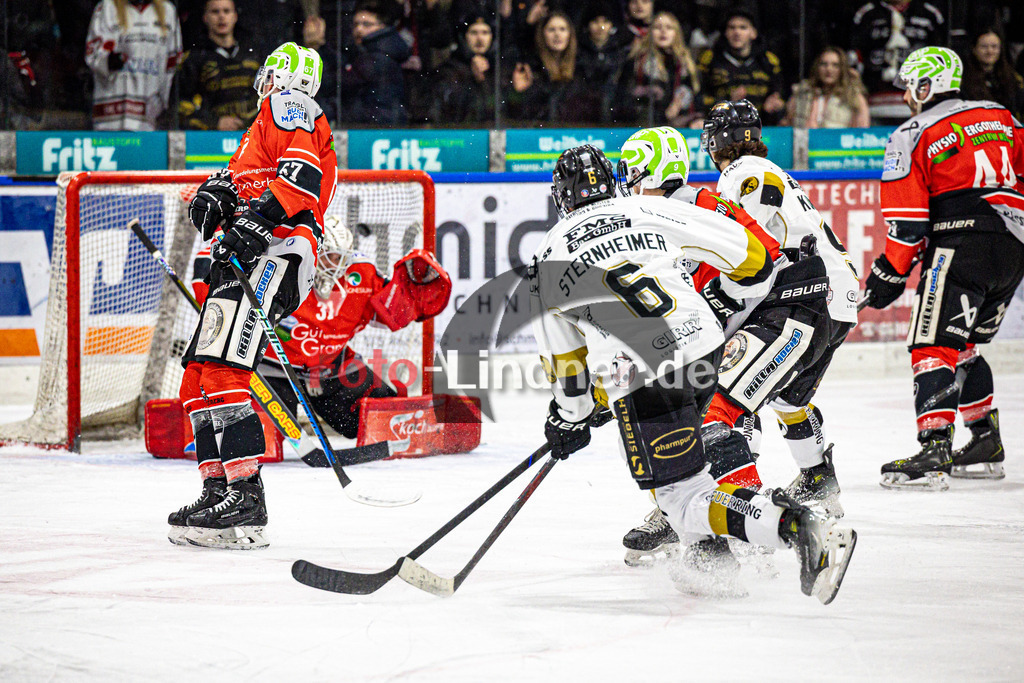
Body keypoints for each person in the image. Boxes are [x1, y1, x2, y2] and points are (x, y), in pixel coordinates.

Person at [532, 144, 857, 604]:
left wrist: (569, 418)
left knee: (682, 501)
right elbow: (751, 256)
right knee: (696, 462)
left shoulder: (547, 256)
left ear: (561, 198)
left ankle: (799, 528)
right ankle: (711, 558)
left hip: (642, 371)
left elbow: (569, 368)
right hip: (703, 347)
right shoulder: (645, 207)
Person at [169, 42, 337, 550]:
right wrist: (216, 194)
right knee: (198, 376)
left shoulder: (289, 104)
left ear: (279, 75)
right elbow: (245, 182)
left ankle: (246, 496)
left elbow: (301, 179)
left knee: (223, 369)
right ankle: (218, 487)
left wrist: (259, 217)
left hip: (279, 253)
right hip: (254, 254)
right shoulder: (260, 129)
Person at [862, 46, 1024, 490]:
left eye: (909, 86)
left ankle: (934, 447)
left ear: (924, 84)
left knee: (931, 345)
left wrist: (887, 274)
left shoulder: (912, 132)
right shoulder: (1002, 115)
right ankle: (985, 440)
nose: (907, 97)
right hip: (1013, 250)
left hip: (960, 244)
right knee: (965, 344)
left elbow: (909, 224)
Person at [187, 216, 452, 467]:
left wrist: (416, 290)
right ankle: (200, 431)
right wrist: (208, 288)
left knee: (381, 417)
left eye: (340, 257)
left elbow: (393, 311)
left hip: (333, 368)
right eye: (329, 255)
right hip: (272, 369)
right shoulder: (285, 265)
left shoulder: (361, 273)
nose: (335, 263)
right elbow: (209, 260)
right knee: (257, 440)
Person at [84, 0, 183, 130]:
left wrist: (165, 106)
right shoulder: (107, 7)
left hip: (151, 115)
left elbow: (173, 65)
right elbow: (93, 53)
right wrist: (109, 61)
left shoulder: (168, 11)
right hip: (111, 114)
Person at [849, 0, 945, 124]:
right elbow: (854, 58)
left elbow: (942, 58)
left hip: (918, 106)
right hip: (875, 105)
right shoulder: (866, 14)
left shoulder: (930, 14)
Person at [177, 0, 261, 131]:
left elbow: (271, 98)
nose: (221, 16)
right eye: (215, 11)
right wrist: (214, 122)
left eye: (226, 11)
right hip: (210, 139)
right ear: (205, 17)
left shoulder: (255, 55)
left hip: (253, 136)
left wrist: (252, 122)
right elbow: (180, 103)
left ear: (235, 16)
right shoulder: (194, 59)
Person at [696, 9, 785, 125]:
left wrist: (774, 102)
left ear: (753, 33)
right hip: (722, 126)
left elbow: (780, 93)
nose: (737, 32)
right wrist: (727, 103)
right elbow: (698, 99)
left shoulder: (768, 61)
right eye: (732, 28)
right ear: (725, 32)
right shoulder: (710, 59)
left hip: (762, 127)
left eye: (743, 27)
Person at [613, 12, 701, 128]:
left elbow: (698, 99)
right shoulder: (636, 62)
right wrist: (662, 114)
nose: (663, 31)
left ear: (676, 33)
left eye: (669, 28)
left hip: (683, 128)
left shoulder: (686, 64)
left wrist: (695, 119)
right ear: (650, 32)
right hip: (642, 126)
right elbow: (623, 100)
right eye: (657, 27)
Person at [341, 0, 410, 125]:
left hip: (374, 128)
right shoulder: (361, 53)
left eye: (366, 24)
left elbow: (342, 85)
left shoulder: (377, 58)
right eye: (356, 24)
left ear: (383, 26)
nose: (359, 29)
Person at [507, 12, 583, 123]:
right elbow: (516, 115)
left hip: (576, 134)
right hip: (540, 134)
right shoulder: (529, 67)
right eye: (551, 30)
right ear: (542, 34)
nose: (557, 34)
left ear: (570, 34)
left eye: (562, 29)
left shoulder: (581, 65)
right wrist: (519, 93)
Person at [783, 47, 870, 128]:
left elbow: (862, 132)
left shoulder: (854, 97)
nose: (829, 69)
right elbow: (787, 124)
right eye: (824, 64)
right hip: (805, 142)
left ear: (842, 69)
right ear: (817, 67)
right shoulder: (802, 93)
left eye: (835, 65)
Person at [431, 16, 496, 124]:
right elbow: (448, 110)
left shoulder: (498, 68)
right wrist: (472, 79)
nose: (480, 38)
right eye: (474, 33)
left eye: (485, 32)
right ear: (464, 37)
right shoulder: (449, 69)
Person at [961, 29, 1024, 121]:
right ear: (974, 49)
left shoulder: (1013, 78)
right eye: (984, 47)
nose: (990, 51)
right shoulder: (963, 80)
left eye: (994, 47)